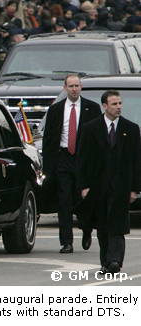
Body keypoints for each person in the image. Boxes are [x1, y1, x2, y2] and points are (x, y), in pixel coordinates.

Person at [74, 90, 141, 274]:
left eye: (120, 103)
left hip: (121, 186)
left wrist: (135, 189)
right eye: (114, 104)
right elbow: (82, 160)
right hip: (98, 186)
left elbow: (137, 161)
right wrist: (84, 186)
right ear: (104, 106)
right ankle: (106, 262)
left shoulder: (131, 129)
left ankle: (115, 261)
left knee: (117, 224)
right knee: (103, 225)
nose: (118, 107)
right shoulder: (90, 128)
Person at [42, 74, 102, 254]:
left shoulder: (92, 108)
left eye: (77, 86)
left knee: (83, 198)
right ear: (64, 88)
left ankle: (86, 229)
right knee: (64, 200)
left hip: (84, 160)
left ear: (81, 87)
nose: (74, 89)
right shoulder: (55, 109)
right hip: (63, 159)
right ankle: (66, 242)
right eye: (71, 86)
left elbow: (98, 138)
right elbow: (48, 138)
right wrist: (48, 167)